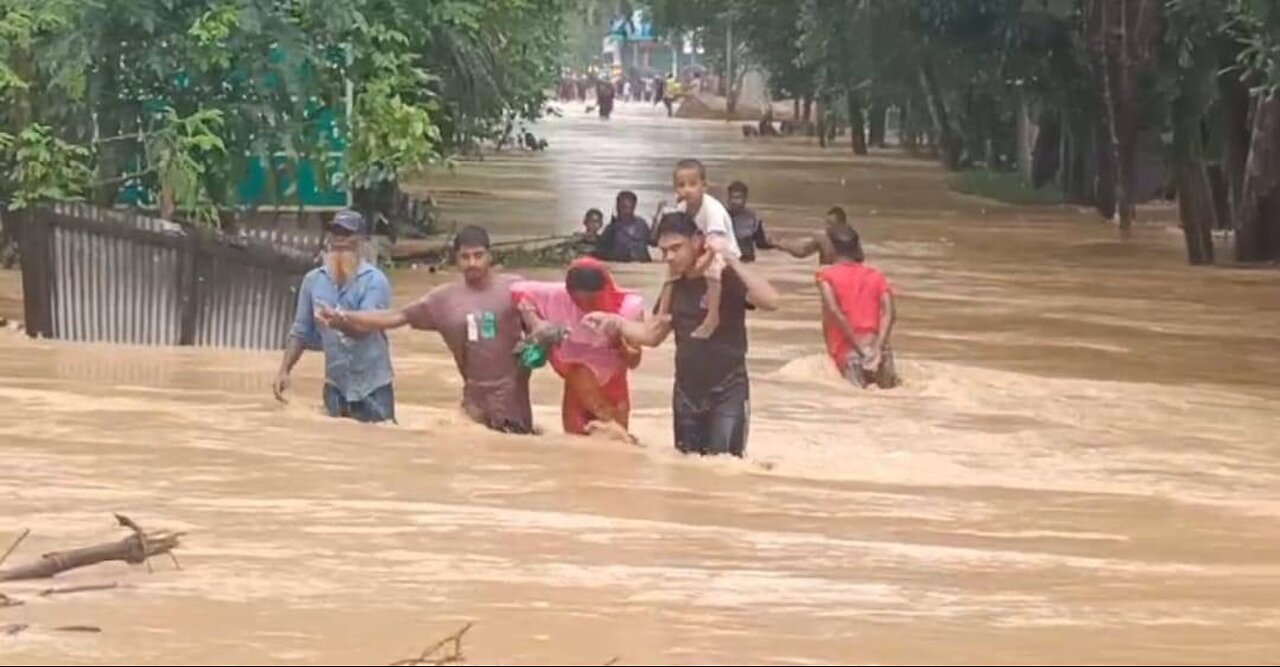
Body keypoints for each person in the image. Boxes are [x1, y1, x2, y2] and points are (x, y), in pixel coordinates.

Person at [585, 212, 781, 457]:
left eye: (676, 248)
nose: (669, 257)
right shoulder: (674, 286)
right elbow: (652, 335)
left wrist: (730, 258)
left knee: (725, 469)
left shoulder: (724, 278)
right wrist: (615, 322)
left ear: (698, 241)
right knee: (687, 470)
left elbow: (771, 301)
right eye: (664, 251)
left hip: (728, 391)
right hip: (686, 393)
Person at [317, 225, 535, 434]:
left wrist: (540, 338)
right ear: (455, 259)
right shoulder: (444, 300)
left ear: (490, 256)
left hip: (513, 404)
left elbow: (545, 325)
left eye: (478, 256)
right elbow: (395, 316)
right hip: (474, 402)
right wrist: (344, 317)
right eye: (465, 257)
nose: (472, 263)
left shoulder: (515, 289)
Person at [273, 210, 395, 423]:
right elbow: (300, 332)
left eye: (346, 234)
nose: (340, 240)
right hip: (335, 388)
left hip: (373, 388)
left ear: (361, 241)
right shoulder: (313, 281)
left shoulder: (375, 281)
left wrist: (338, 323)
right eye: (335, 233)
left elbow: (365, 327)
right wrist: (284, 370)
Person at [512, 258, 645, 439]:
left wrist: (618, 341)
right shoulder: (557, 298)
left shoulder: (628, 309)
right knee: (575, 451)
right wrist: (535, 323)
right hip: (576, 390)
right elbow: (515, 291)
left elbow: (634, 361)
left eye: (591, 300)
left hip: (612, 391)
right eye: (577, 300)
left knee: (618, 450)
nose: (585, 306)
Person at [656, 159, 741, 339]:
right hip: (701, 246)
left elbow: (715, 245)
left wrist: (699, 266)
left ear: (704, 186)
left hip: (723, 251)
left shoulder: (713, 210)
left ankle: (712, 316)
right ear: (675, 189)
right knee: (672, 260)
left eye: (693, 184)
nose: (687, 189)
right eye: (681, 185)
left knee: (713, 267)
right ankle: (662, 312)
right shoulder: (681, 207)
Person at [815, 226, 898, 389]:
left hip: (849, 353)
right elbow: (890, 313)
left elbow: (834, 311)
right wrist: (877, 349)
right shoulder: (876, 276)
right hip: (880, 352)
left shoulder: (825, 276)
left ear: (831, 248)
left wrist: (860, 350)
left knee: (854, 405)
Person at [775, 206, 854, 265]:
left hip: (830, 278)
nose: (827, 226)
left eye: (830, 223)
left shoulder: (823, 239)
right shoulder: (853, 238)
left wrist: (780, 244)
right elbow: (860, 258)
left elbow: (801, 252)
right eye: (827, 223)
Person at [725, 181, 774, 263]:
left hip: (746, 262)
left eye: (738, 198)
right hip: (727, 261)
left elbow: (761, 244)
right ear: (728, 198)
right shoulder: (720, 216)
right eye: (732, 197)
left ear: (745, 199)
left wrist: (778, 244)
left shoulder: (753, 220)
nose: (734, 201)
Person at [596, 191, 652, 262]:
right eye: (621, 207)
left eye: (627, 207)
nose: (624, 211)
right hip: (620, 266)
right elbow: (600, 252)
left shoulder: (641, 224)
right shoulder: (611, 228)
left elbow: (652, 241)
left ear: (634, 207)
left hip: (643, 266)